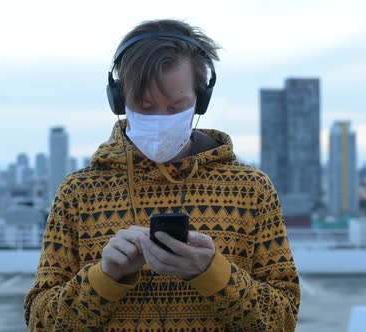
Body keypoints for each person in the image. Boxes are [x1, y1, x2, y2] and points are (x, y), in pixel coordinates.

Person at [24, 19, 301, 331]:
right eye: (144, 106)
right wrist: (105, 277)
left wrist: (213, 273)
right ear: (119, 100)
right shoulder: (79, 193)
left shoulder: (251, 191)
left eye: (175, 107)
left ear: (201, 101)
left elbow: (283, 320)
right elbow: (41, 323)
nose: (160, 118)